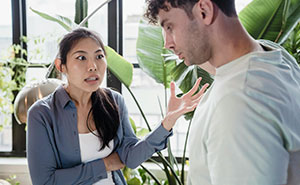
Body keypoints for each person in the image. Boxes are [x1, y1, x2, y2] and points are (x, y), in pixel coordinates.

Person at [26, 28, 209, 185]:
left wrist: (168, 122)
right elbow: (45, 181)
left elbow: (130, 157)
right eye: (81, 58)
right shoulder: (42, 114)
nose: (93, 66)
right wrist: (104, 164)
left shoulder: (114, 101)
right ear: (61, 66)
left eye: (99, 56)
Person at [145, 0, 300, 184]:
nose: (166, 44)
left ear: (204, 11)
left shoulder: (237, 102)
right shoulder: (273, 56)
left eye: (169, 26)